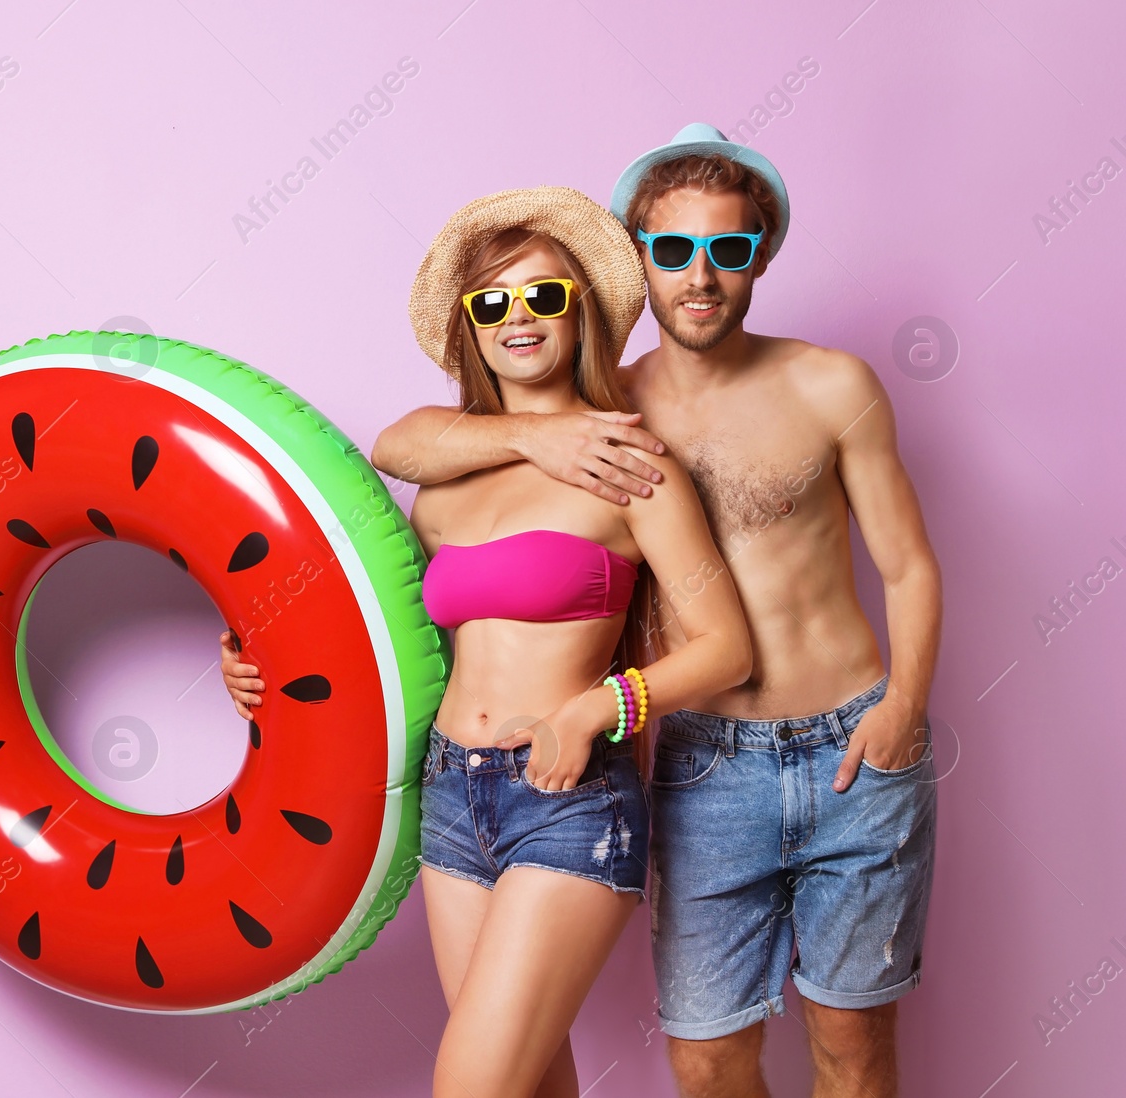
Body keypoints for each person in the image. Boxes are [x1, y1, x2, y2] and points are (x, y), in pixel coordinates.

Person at [366, 125, 942, 1098]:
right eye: (674, 249)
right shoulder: (528, 446)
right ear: (640, 257)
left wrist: (901, 714)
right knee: (679, 1067)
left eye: (727, 248)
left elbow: (885, 572)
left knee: (849, 1047)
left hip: (785, 756)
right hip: (593, 775)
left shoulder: (736, 413)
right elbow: (399, 455)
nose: (700, 274)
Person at [222, 185, 752, 1098]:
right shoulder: (444, 490)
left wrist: (595, 710)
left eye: (545, 296)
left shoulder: (630, 464)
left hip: (568, 798)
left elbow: (726, 646)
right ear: (471, 326)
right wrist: (261, 661)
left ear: (578, 311)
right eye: (494, 302)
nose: (520, 318)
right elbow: (400, 619)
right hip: (451, 799)